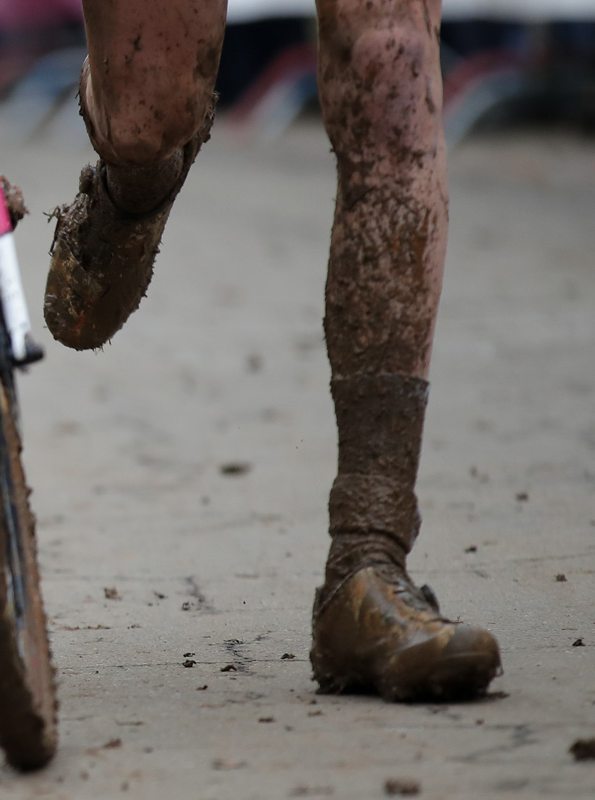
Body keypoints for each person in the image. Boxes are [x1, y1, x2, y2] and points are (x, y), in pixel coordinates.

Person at [44, 0, 502, 701]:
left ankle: (368, 559)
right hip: (143, 126)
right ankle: (135, 181)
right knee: (147, 109)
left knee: (390, 59)